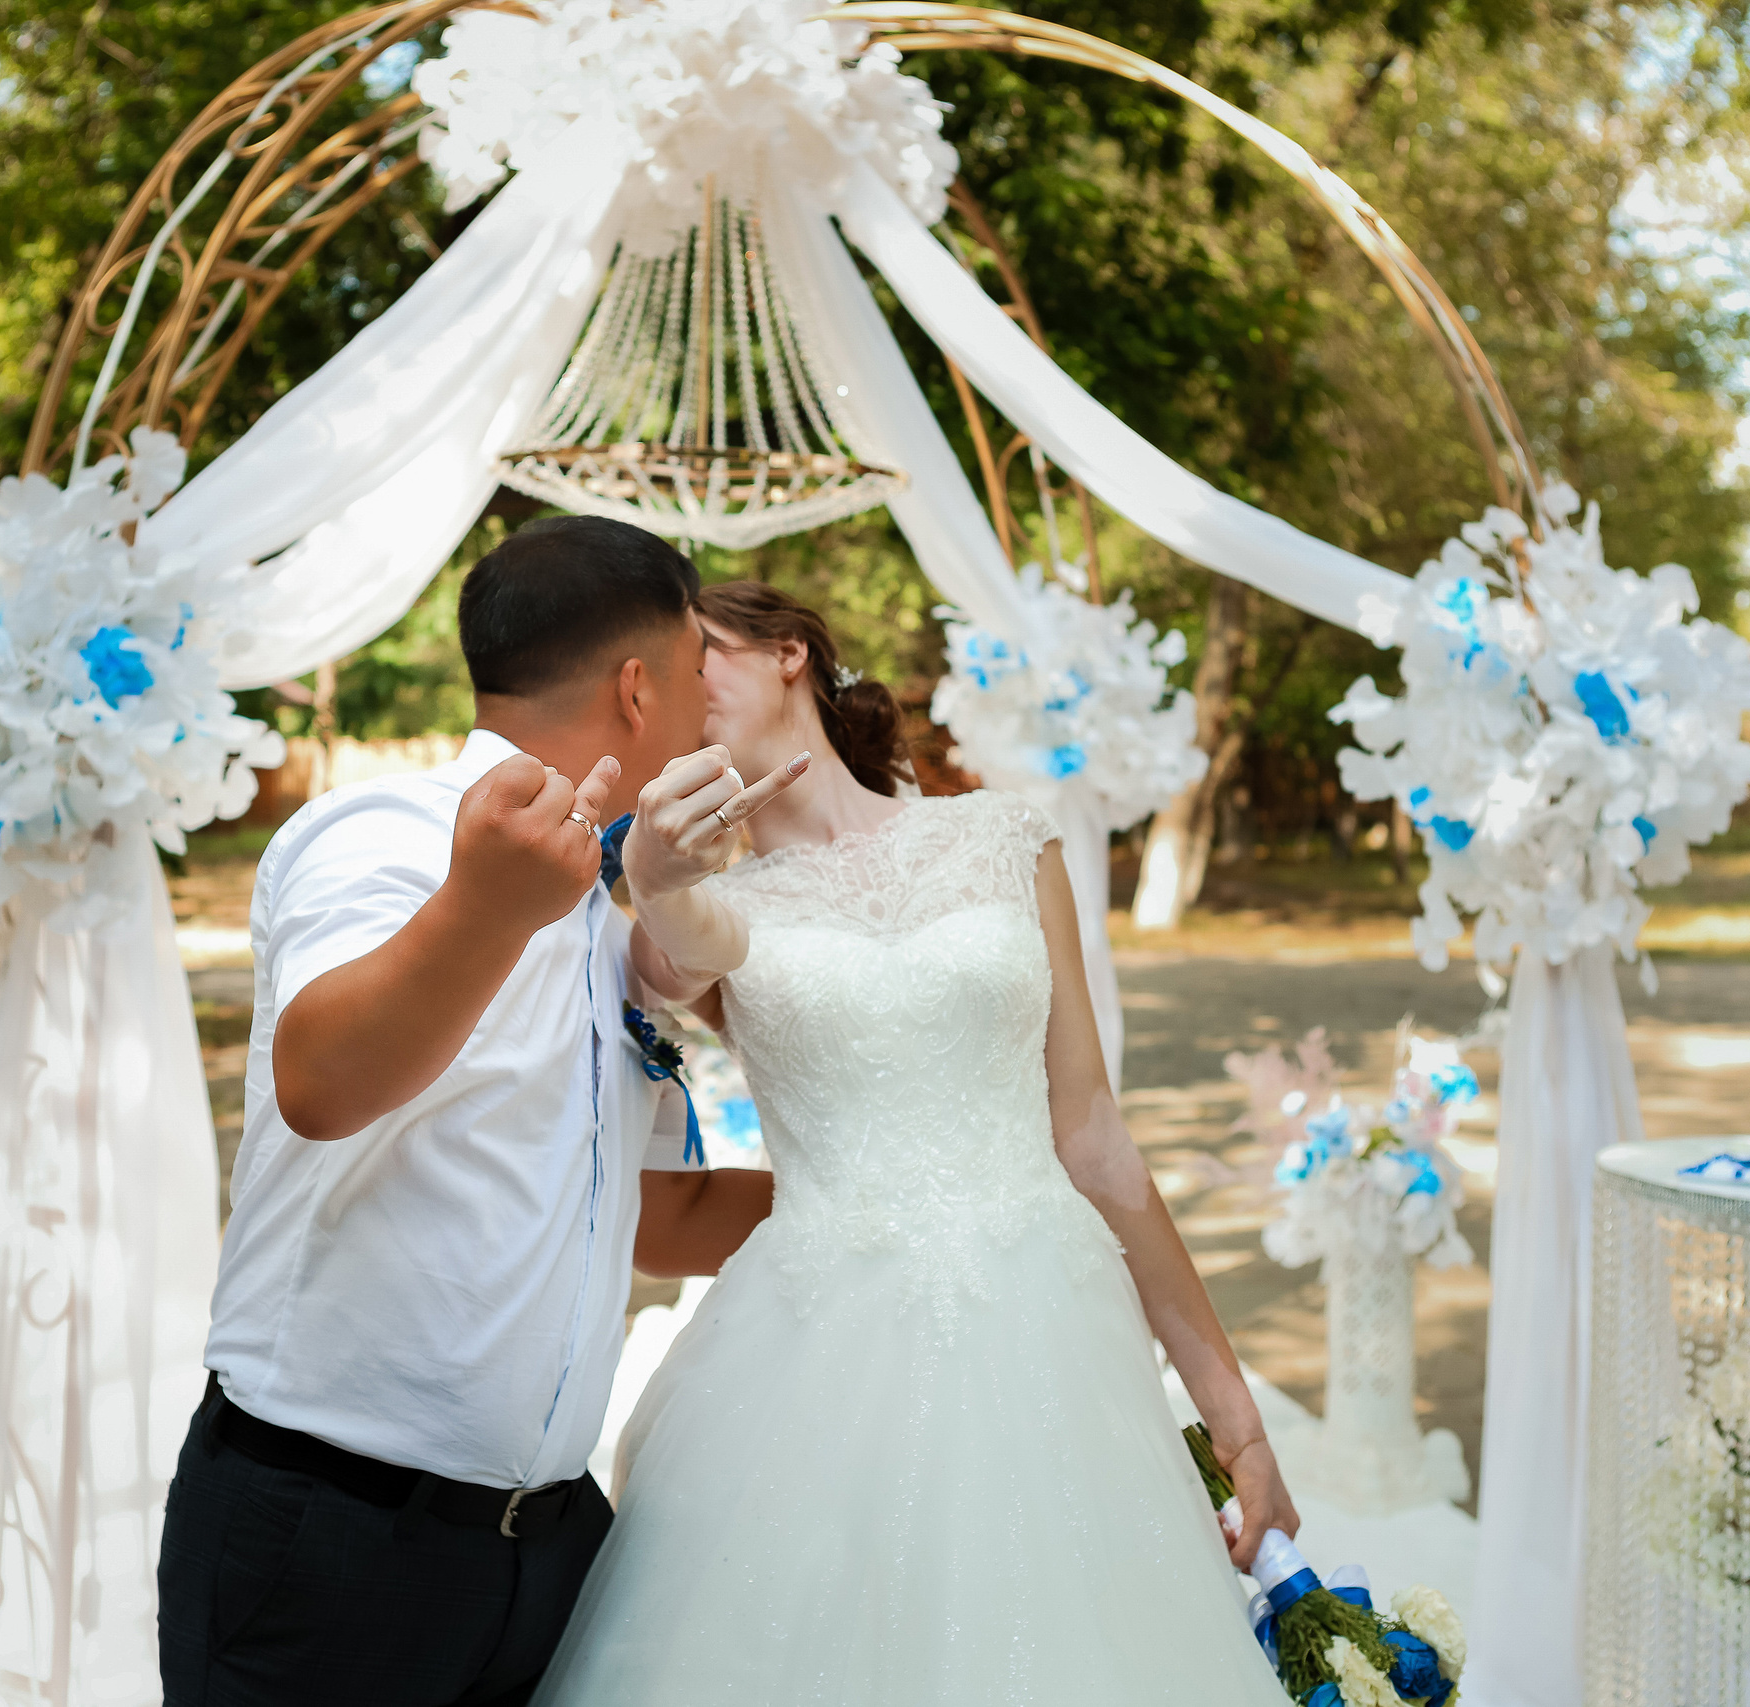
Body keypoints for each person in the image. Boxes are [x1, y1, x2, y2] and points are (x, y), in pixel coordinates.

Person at [531, 581, 1301, 1704]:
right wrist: (653, 878)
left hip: (1049, 1330)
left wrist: (1233, 1417)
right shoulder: (706, 897)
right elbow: (678, 950)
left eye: (703, 657)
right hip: (813, 1364)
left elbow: (1091, 1138)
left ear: (789, 651)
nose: (683, 692)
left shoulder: (1003, 838)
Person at [157, 518, 781, 1707]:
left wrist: (906, 1194)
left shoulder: (619, 900)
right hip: (333, 1538)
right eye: (700, 671)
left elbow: (649, 1221)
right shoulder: (384, 832)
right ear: (638, 685)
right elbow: (322, 1086)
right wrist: (486, 906)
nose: (710, 709)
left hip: (543, 1554)